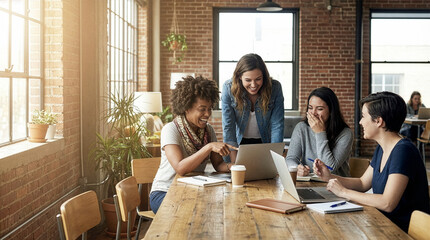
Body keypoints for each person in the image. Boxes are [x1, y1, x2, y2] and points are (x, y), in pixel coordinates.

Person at [313, 91, 430, 232]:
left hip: (402, 232)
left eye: (363, 116)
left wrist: (344, 192)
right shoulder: (382, 148)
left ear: (378, 121)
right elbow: (362, 183)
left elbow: (387, 203)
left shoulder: (403, 151)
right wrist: (329, 177)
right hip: (383, 225)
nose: (360, 122)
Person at [149, 76, 235, 214]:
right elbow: (180, 168)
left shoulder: (208, 130)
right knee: (193, 212)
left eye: (209, 109)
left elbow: (218, 165)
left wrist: (233, 166)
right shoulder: (170, 129)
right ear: (187, 108)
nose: (207, 114)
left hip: (192, 191)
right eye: (202, 109)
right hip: (165, 192)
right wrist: (208, 147)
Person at [221, 53, 284, 163]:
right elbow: (228, 128)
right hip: (237, 146)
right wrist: (234, 165)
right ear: (239, 77)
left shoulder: (275, 88)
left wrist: (275, 160)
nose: (254, 85)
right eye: (248, 80)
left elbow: (277, 126)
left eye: (258, 79)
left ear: (264, 76)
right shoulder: (228, 88)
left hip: (265, 144)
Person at [286, 87, 352, 177]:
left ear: (331, 111)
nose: (313, 113)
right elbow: (290, 158)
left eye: (319, 109)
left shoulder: (346, 133)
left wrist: (320, 133)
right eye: (310, 108)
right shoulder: (301, 128)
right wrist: (296, 168)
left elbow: (329, 168)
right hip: (308, 184)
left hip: (336, 185)